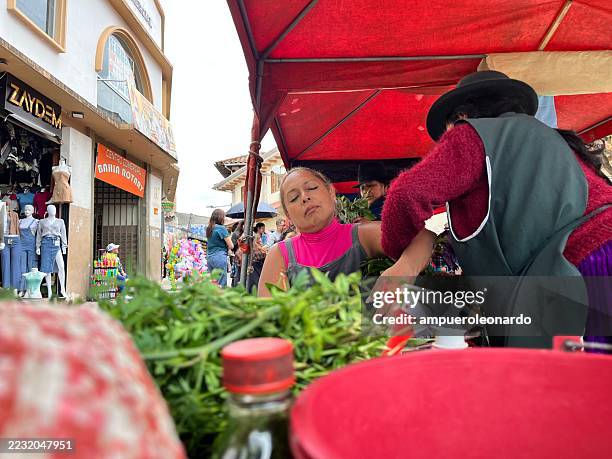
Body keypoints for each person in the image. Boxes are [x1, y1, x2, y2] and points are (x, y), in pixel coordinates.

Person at [381, 70, 612, 349]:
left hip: (586, 262)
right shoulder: (555, 139)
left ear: (461, 117)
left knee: (582, 380)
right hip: (599, 250)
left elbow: (406, 194)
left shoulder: (470, 135)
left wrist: (400, 258)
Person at [258, 167, 435, 297]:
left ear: (331, 193)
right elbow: (271, 318)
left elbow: (423, 237)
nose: (305, 197)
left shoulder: (360, 235)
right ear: (288, 214)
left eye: (311, 188)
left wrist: (404, 269)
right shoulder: (280, 254)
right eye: (294, 198)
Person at [206, 209, 233, 287]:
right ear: (220, 217)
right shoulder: (221, 228)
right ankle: (220, 298)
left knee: (213, 282)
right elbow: (231, 245)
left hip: (210, 257)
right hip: (219, 257)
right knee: (221, 283)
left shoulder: (209, 228)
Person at [247, 222, 269, 293]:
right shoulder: (257, 236)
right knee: (256, 280)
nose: (264, 230)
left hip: (256, 261)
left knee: (255, 280)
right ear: (258, 229)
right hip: (257, 261)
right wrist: (264, 251)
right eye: (262, 228)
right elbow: (257, 249)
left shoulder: (261, 236)